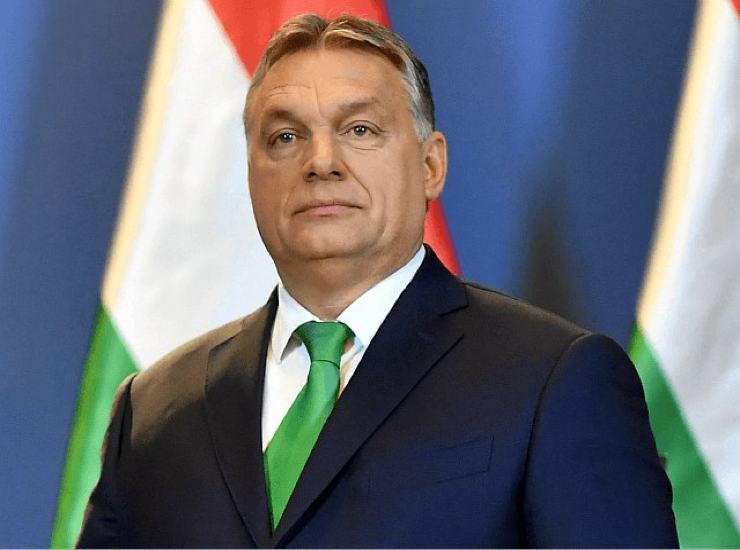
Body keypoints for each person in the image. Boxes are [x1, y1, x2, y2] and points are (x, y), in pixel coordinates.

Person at [77, 14, 678, 548]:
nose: (321, 162)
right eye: (285, 137)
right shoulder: (153, 409)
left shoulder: (555, 380)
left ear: (430, 165)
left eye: (359, 130)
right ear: (252, 175)